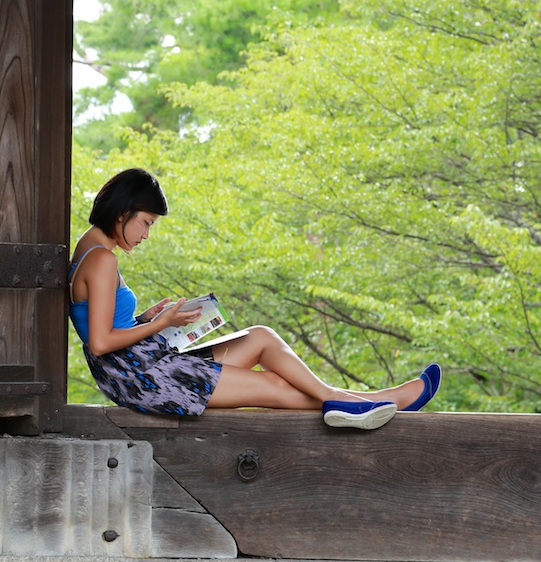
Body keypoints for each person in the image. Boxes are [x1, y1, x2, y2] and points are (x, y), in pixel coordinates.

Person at [68, 168, 440, 430]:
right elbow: (100, 343)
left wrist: (148, 318)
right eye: (146, 222)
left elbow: (104, 323)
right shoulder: (102, 259)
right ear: (123, 213)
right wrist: (162, 324)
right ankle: (376, 402)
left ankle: (359, 401)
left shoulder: (91, 247)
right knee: (274, 386)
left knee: (260, 336)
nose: (147, 234)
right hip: (140, 377)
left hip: (145, 361)